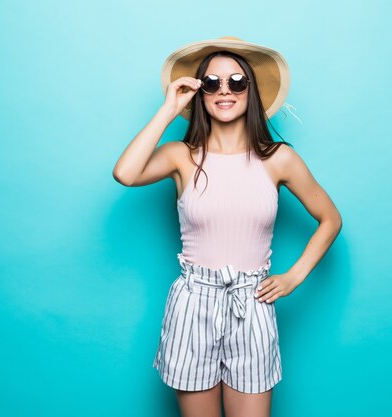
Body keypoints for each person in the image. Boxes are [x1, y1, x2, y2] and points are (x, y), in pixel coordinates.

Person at [112, 36, 342, 417]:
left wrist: (294, 277)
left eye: (237, 82)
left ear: (251, 91)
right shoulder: (180, 157)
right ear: (199, 94)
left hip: (252, 302)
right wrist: (169, 109)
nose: (225, 91)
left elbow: (330, 218)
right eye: (212, 83)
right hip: (193, 303)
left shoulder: (279, 159)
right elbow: (125, 173)